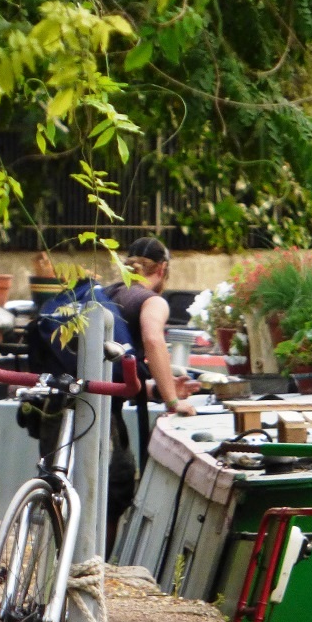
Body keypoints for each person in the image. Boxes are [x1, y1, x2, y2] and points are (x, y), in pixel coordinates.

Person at [101, 236, 198, 555]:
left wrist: (157, 389)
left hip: (76, 398)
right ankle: (94, 570)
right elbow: (153, 341)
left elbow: (115, 368)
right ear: (164, 269)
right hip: (103, 414)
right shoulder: (151, 300)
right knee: (114, 492)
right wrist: (172, 401)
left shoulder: (110, 293)